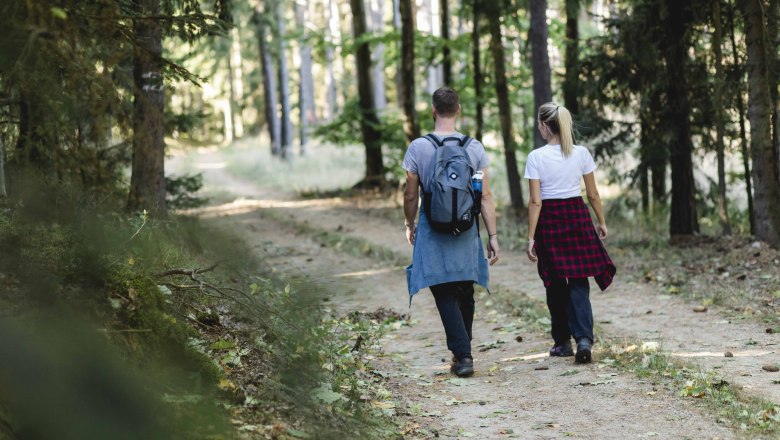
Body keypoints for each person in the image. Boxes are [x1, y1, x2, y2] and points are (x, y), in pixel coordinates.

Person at [402, 87, 500, 377]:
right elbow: (484, 196)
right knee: (464, 288)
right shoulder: (474, 148)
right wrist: (493, 235)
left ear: (433, 110)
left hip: (434, 228)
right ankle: (463, 351)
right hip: (467, 228)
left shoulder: (418, 148)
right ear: (458, 110)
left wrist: (410, 224)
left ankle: (463, 353)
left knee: (443, 287)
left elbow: (410, 195)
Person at [524, 102, 616, 364]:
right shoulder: (581, 153)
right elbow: (593, 194)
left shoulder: (536, 157)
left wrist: (531, 238)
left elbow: (535, 202)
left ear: (543, 125)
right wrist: (601, 221)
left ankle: (562, 342)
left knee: (554, 283)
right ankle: (584, 339)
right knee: (578, 281)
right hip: (577, 216)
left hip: (550, 221)